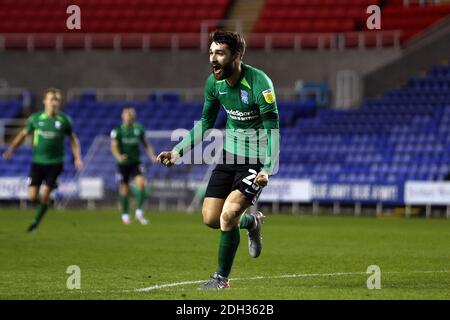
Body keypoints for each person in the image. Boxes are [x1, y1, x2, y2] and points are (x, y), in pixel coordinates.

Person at [157, 30, 280, 289]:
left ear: (237, 56)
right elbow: (205, 123)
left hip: (256, 159)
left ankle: (221, 279)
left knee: (228, 214)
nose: (213, 58)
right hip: (229, 155)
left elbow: (273, 131)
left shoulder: (260, 84)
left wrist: (268, 168)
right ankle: (252, 222)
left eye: (220, 53)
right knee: (211, 219)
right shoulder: (213, 83)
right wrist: (177, 152)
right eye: (211, 52)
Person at [2, 88, 83, 232]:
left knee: (45, 194)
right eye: (51, 99)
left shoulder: (64, 120)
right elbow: (22, 134)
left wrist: (77, 157)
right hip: (38, 162)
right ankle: (44, 205)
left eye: (56, 99)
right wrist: (11, 148)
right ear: (45, 101)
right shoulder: (36, 119)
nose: (54, 102)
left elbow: (73, 140)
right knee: (32, 196)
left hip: (56, 163)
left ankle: (34, 223)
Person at [110, 106, 157, 225]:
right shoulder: (118, 130)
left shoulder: (138, 129)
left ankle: (139, 213)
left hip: (136, 162)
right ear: (122, 115)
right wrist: (119, 156)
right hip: (123, 164)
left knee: (141, 185)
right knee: (124, 190)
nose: (129, 115)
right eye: (127, 113)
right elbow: (113, 146)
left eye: (131, 113)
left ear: (134, 116)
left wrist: (152, 155)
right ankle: (125, 215)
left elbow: (146, 144)